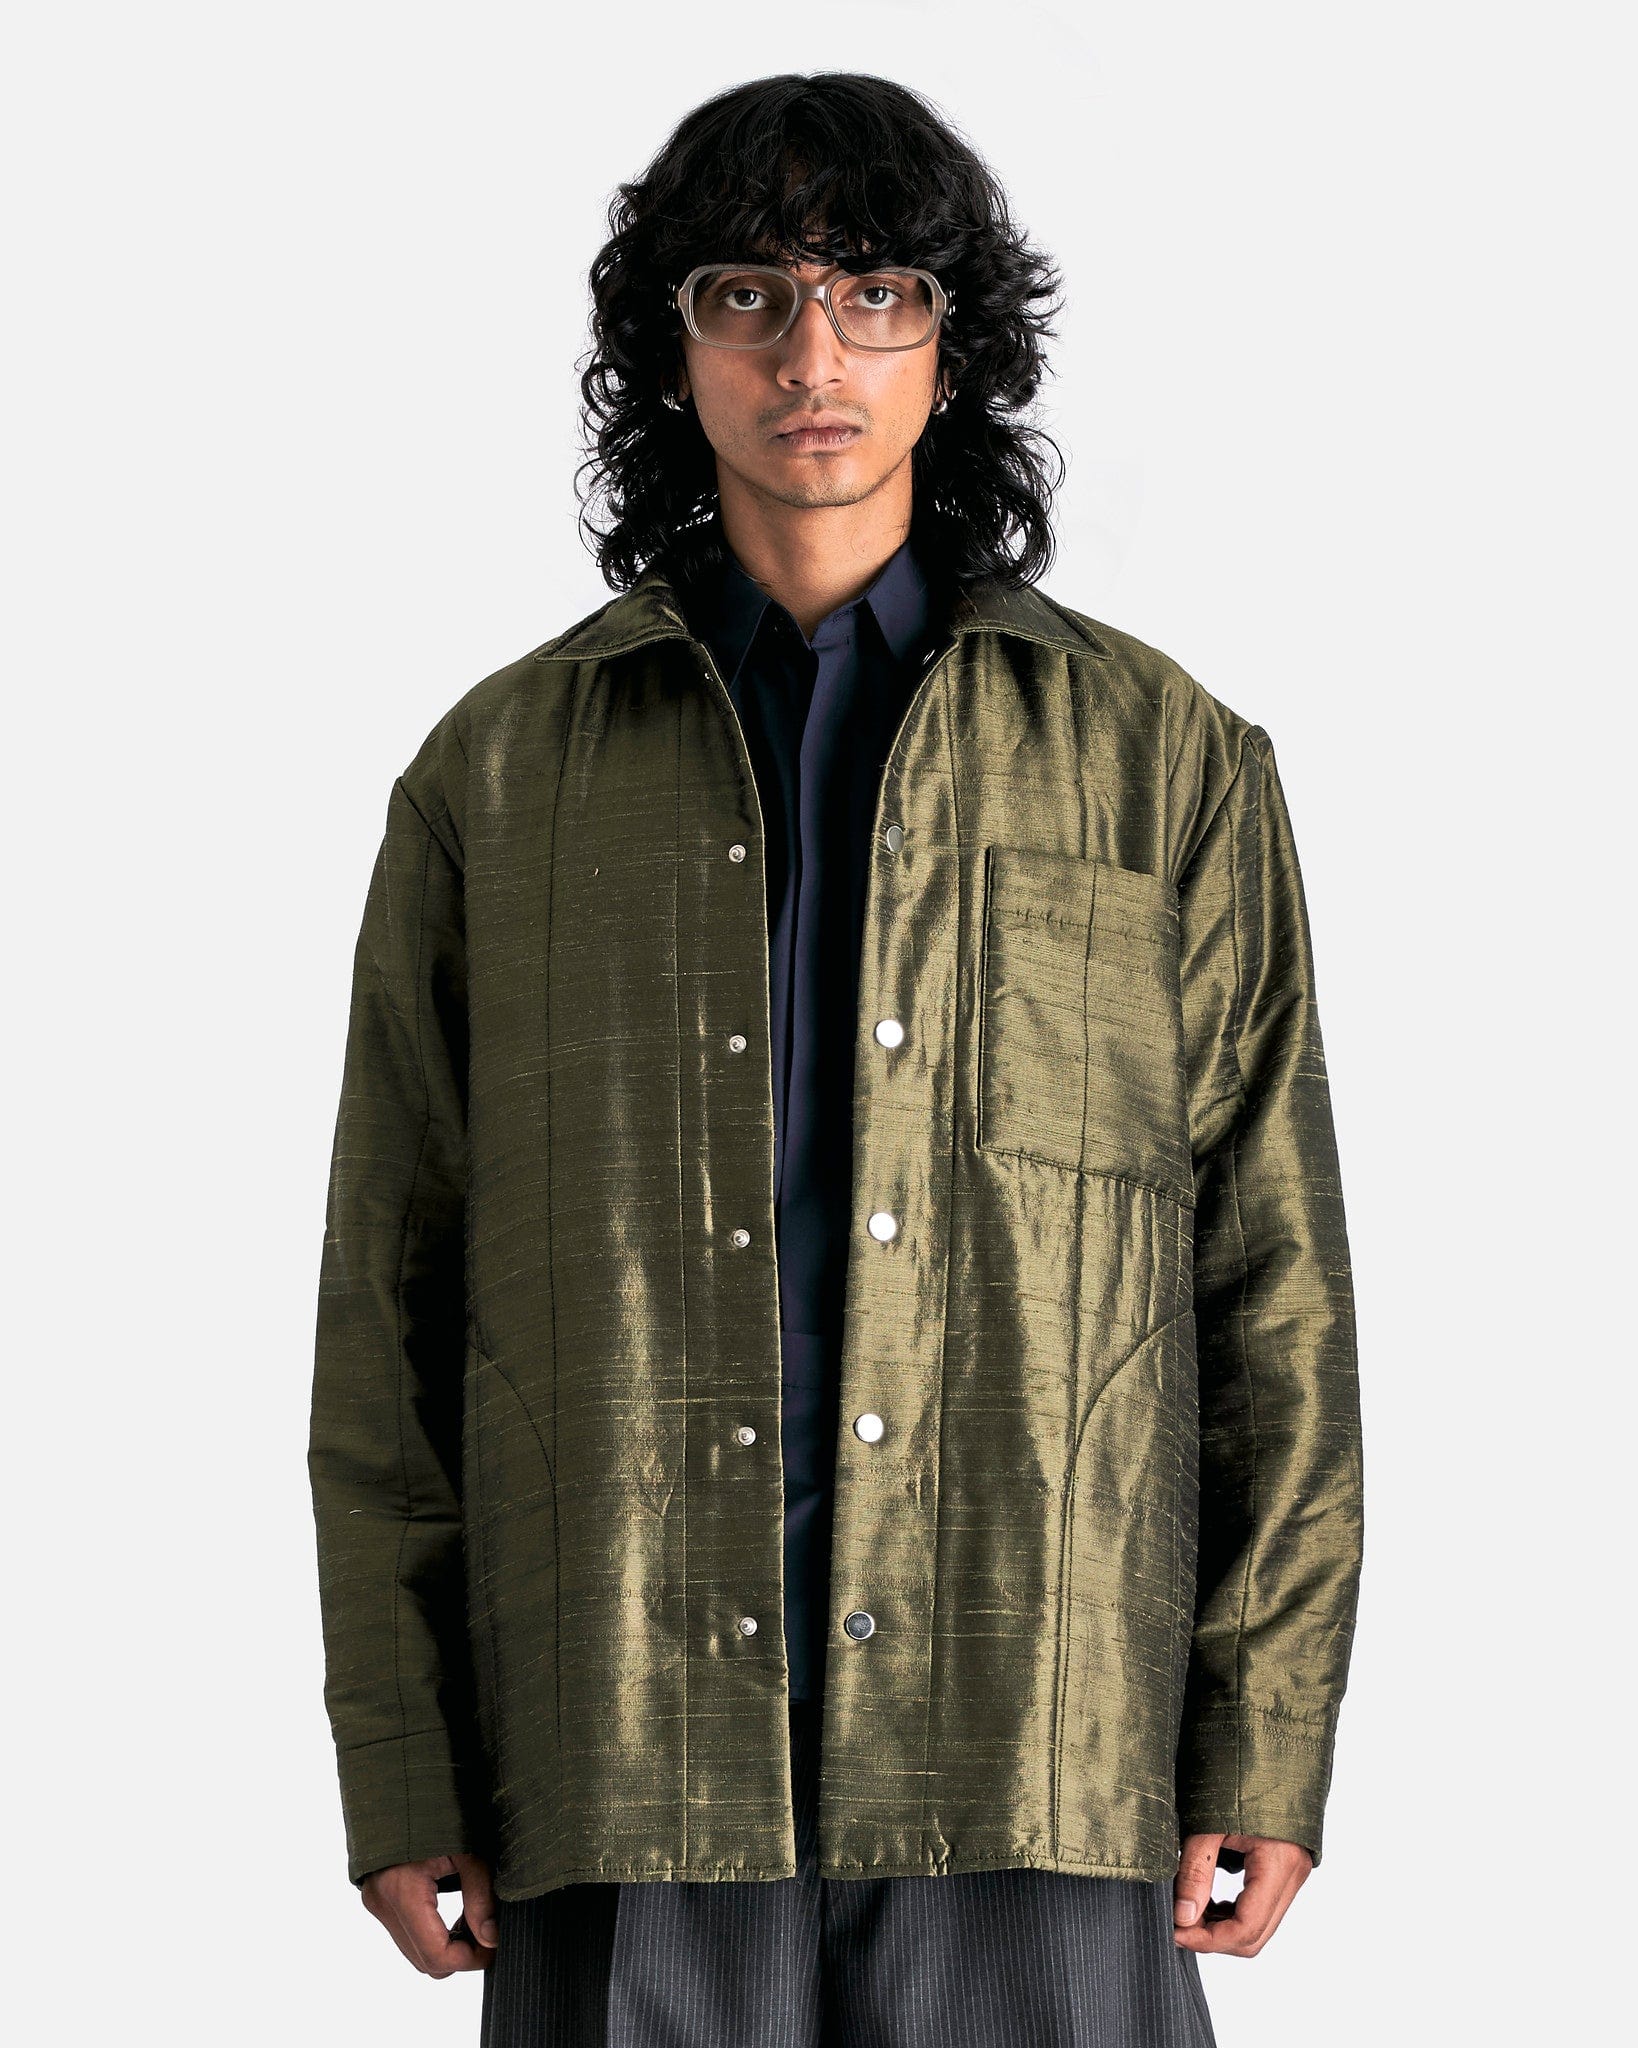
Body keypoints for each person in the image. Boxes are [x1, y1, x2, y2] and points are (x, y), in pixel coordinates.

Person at [307, 70, 1364, 2047]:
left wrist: (1266, 1725)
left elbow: (1271, 1285)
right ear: (672, 350)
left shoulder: (1162, 764)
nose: (812, 354)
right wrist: (405, 1752)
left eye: (875, 289)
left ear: (954, 343)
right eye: (749, 294)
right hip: (623, 1735)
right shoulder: (499, 781)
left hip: (1037, 1727)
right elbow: (392, 1304)